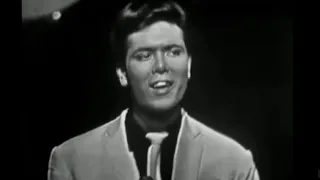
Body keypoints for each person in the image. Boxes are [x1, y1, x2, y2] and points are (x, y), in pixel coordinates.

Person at [47, 1, 260, 180]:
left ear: (189, 66)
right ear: (122, 73)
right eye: (144, 55)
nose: (160, 66)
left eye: (173, 52)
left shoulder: (235, 163)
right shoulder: (71, 160)